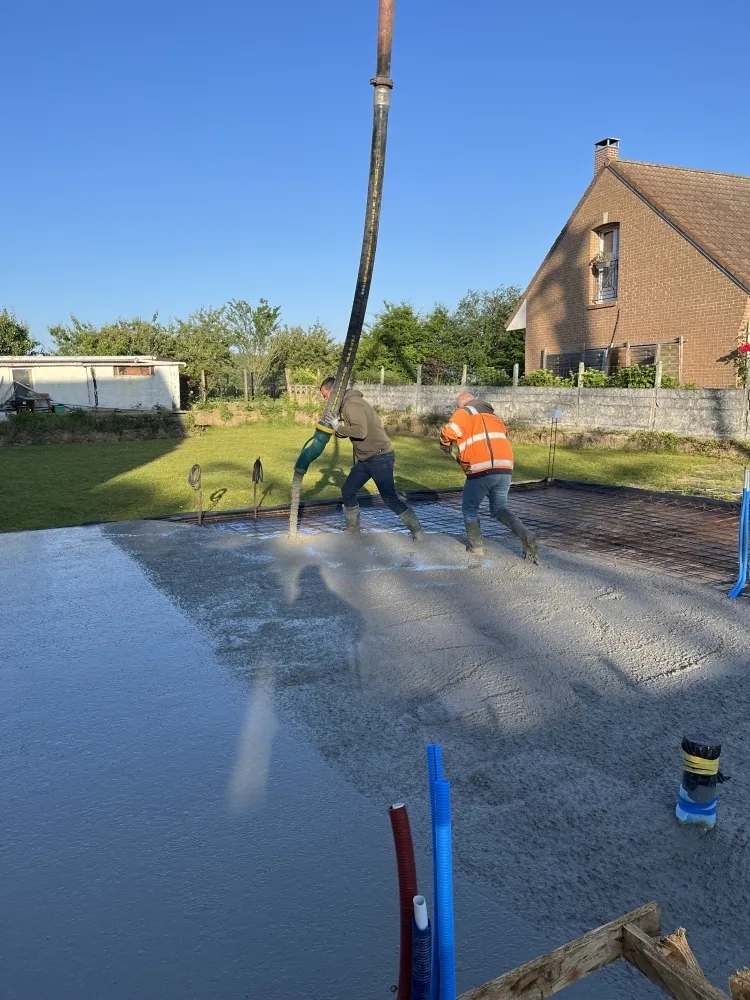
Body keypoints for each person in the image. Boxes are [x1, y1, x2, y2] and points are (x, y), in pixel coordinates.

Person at [320, 377, 424, 540]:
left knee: (389, 498)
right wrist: (337, 427)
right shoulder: (347, 404)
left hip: (380, 457)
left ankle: (417, 532)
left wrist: (338, 426)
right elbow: (353, 430)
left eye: (325, 396)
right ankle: (353, 531)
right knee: (348, 491)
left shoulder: (352, 404)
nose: (325, 400)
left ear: (334, 392)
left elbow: (360, 432)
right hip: (366, 459)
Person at [439, 391, 538, 561]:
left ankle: (476, 547)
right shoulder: (495, 418)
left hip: (481, 469)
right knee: (499, 508)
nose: (457, 409)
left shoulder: (464, 412)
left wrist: (444, 444)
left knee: (469, 508)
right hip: (505, 468)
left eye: (457, 406)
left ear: (463, 403)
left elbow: (449, 431)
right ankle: (526, 535)